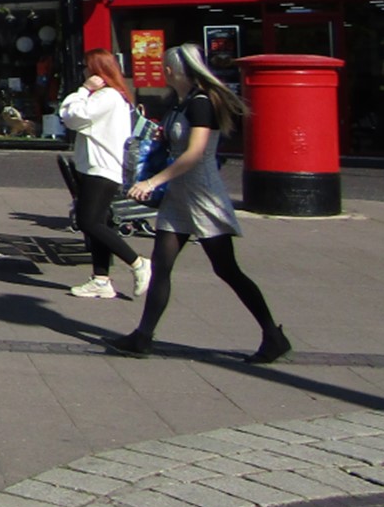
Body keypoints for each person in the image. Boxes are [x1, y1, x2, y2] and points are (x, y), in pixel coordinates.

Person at [109, 43, 290, 363]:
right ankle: (143, 337)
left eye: (167, 67)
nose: (163, 71)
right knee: (162, 265)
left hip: (203, 195)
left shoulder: (201, 104)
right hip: (180, 195)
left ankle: (273, 335)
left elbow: (194, 153)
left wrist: (152, 182)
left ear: (179, 71)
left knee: (226, 268)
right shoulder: (179, 103)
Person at [57, 49, 150, 300]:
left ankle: (138, 262)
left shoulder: (106, 96)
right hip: (97, 166)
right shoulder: (111, 96)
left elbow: (71, 116)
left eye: (87, 67)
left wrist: (83, 90)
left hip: (102, 167)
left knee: (88, 222)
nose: (84, 71)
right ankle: (101, 279)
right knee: (99, 223)